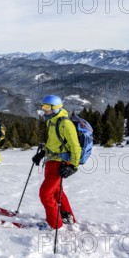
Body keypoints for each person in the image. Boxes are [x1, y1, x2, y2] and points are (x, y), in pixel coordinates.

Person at [32, 95, 80, 229]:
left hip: (59, 164)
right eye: (43, 107)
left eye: (47, 107)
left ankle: (54, 224)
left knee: (45, 194)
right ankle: (67, 217)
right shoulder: (51, 121)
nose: (44, 110)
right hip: (50, 161)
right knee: (57, 192)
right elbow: (54, 142)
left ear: (56, 108)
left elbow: (75, 146)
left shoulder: (65, 124)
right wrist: (42, 154)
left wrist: (73, 166)